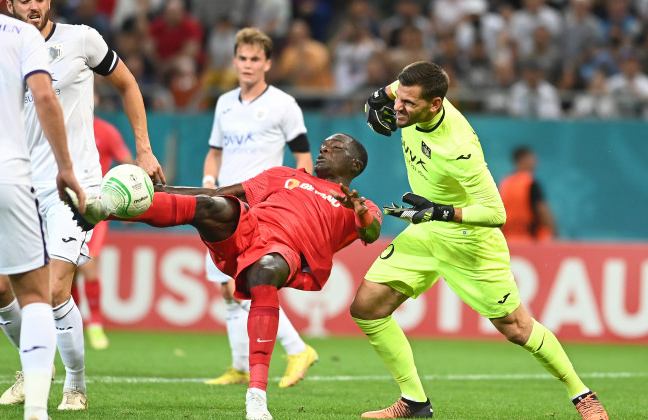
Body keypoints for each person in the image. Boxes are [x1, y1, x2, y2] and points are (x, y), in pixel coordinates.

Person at [67, 133, 382, 420]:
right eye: (324, 145)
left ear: (355, 165)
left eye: (335, 148)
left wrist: (360, 211)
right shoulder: (284, 175)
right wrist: (159, 191)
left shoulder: (361, 206)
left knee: (265, 273)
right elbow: (216, 193)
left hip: (287, 252)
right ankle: (101, 209)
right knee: (208, 206)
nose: (324, 150)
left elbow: (371, 231)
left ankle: (256, 397)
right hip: (248, 228)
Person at [359, 61, 608, 419]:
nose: (399, 107)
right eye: (400, 98)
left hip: (469, 241)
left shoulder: (460, 149)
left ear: (435, 105)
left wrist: (440, 211)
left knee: (516, 327)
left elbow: (496, 214)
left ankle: (581, 394)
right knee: (367, 308)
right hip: (426, 231)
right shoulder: (410, 91)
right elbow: (395, 89)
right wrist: (377, 98)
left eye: (408, 104)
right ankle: (414, 402)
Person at [0, 0, 166, 411]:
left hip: (74, 186)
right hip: (17, 186)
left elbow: (128, 84)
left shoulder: (81, 39)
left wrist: (143, 149)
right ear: (10, 4)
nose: (32, 5)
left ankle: (76, 386)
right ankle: (36, 364)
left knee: (52, 289)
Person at [0, 1, 86, 419]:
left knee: (22, 291)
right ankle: (38, 411)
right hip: (7, 174)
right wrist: (66, 166)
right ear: (0, 2)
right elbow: (44, 95)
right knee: (34, 295)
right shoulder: (23, 35)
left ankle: (59, 385)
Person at [202, 27, 318, 388]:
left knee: (251, 284)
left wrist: (297, 199)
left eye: (255, 59)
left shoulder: (283, 104)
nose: (248, 65)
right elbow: (215, 152)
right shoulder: (224, 104)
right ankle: (239, 366)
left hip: (261, 208)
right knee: (227, 287)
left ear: (268, 63)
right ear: (234, 60)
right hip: (224, 204)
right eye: (243, 58)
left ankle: (298, 348)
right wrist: (209, 181)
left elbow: (302, 156)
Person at [72, 114, 134, 350]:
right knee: (68, 269)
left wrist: (130, 202)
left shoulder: (106, 131)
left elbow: (128, 163)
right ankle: (74, 323)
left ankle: (95, 323)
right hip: (64, 205)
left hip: (96, 208)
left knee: (87, 264)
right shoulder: (65, 125)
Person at [499, 146, 556, 241]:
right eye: (532, 158)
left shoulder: (504, 184)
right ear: (523, 160)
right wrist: (555, 233)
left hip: (508, 240)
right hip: (531, 241)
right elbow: (543, 211)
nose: (535, 162)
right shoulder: (530, 183)